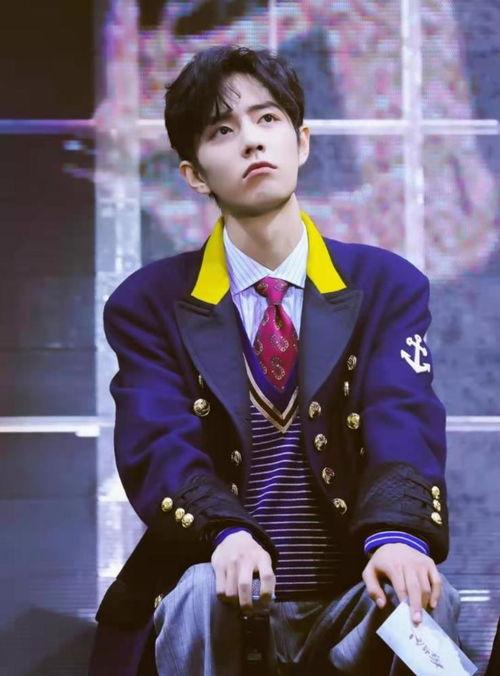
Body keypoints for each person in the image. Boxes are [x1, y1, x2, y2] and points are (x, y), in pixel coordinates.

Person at [89, 45, 461, 675]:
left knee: (425, 598)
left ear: (302, 141)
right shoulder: (147, 304)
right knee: (198, 588)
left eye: (267, 119)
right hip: (222, 595)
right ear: (195, 175)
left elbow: (402, 417)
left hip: (350, 593)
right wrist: (225, 533)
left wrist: (399, 536)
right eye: (222, 130)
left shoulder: (387, 286)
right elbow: (158, 445)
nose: (251, 141)